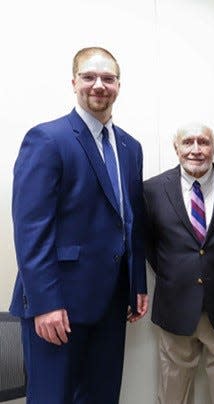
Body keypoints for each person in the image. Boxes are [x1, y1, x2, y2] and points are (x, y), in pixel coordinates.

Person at [9, 46, 148, 403]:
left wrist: (136, 283)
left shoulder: (131, 148)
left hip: (111, 303)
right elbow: (32, 229)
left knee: (101, 397)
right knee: (53, 398)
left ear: (119, 85)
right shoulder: (47, 139)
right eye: (89, 76)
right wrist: (45, 303)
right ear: (74, 82)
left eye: (108, 78)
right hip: (59, 306)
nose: (99, 85)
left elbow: (131, 219)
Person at [144, 123, 214, 404]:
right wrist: (179, 276)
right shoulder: (152, 190)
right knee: (172, 394)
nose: (196, 150)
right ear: (176, 147)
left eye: (204, 142)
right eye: (188, 142)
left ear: (213, 148)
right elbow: (149, 246)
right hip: (175, 307)